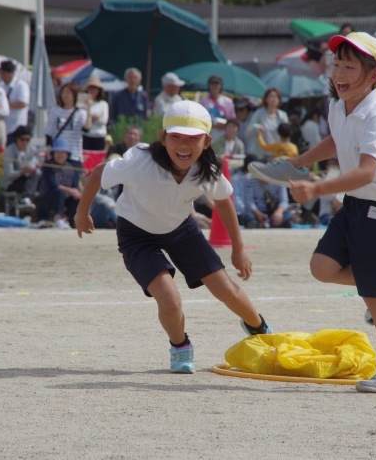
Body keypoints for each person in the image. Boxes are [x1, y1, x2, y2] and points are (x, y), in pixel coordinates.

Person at [248, 32, 376, 393]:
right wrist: (297, 162)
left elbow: (367, 171)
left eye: (349, 67)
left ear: (373, 75)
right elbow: (336, 142)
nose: (338, 73)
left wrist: (316, 188)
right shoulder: (338, 104)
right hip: (358, 202)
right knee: (321, 267)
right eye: (336, 65)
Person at [74, 100, 273, 374]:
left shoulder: (207, 168)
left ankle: (261, 330)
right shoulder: (138, 160)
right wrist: (81, 213)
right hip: (136, 235)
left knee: (225, 288)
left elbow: (224, 201)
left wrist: (238, 248)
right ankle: (180, 346)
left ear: (206, 142)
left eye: (193, 138)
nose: (184, 145)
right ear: (163, 138)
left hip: (181, 229)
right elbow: (98, 173)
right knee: (169, 298)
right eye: (176, 136)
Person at [37, 137, 81, 229]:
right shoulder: (48, 166)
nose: (60, 155)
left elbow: (74, 186)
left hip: (65, 198)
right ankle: (58, 219)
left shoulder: (71, 167)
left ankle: (69, 219)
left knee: (78, 197)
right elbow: (53, 185)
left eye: (62, 152)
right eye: (57, 152)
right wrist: (70, 190)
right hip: (48, 197)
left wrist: (76, 192)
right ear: (53, 153)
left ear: (67, 154)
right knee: (59, 192)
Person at [240, 156, 294, 228]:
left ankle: (265, 225)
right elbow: (248, 202)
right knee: (247, 216)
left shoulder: (279, 179)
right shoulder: (249, 179)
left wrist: (279, 212)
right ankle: (267, 225)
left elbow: (284, 201)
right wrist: (258, 214)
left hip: (273, 212)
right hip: (256, 212)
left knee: (288, 215)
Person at [45, 83, 92, 163]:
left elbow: (86, 128)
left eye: (68, 93)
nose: (65, 95)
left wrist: (89, 109)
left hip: (74, 153)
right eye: (63, 92)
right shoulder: (55, 111)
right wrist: (48, 147)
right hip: (57, 152)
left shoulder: (80, 112)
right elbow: (49, 132)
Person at [1, 125, 41, 207]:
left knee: (36, 175)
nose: (25, 142)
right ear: (16, 139)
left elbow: (37, 166)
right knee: (28, 184)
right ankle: (25, 199)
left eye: (27, 140)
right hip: (12, 183)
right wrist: (21, 172)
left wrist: (34, 167)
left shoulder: (32, 149)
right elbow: (8, 174)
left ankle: (26, 199)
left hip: (28, 181)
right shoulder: (9, 151)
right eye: (22, 139)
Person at [245, 88, 288, 160]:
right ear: (266, 99)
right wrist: (257, 128)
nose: (274, 99)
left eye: (276, 97)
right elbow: (248, 132)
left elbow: (287, 133)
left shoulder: (283, 116)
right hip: (261, 154)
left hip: (277, 154)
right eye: (271, 96)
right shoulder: (259, 113)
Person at [0, 60, 30, 147]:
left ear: (11, 73)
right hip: (3, 126)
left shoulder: (21, 85)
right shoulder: (1, 85)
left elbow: (23, 103)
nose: (2, 76)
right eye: (1, 73)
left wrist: (4, 105)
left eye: (4, 73)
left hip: (17, 128)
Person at [200, 75, 235, 141]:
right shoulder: (203, 101)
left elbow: (232, 120)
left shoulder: (228, 102)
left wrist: (225, 126)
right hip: (209, 135)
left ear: (221, 86)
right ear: (209, 85)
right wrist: (214, 125)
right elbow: (200, 120)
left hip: (224, 137)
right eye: (212, 84)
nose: (214, 86)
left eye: (217, 84)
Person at [82, 77, 109, 152]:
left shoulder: (103, 104)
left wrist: (89, 118)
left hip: (99, 136)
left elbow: (103, 121)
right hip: (86, 136)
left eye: (95, 88)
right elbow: (81, 120)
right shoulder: (82, 104)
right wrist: (95, 117)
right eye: (91, 88)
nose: (92, 90)